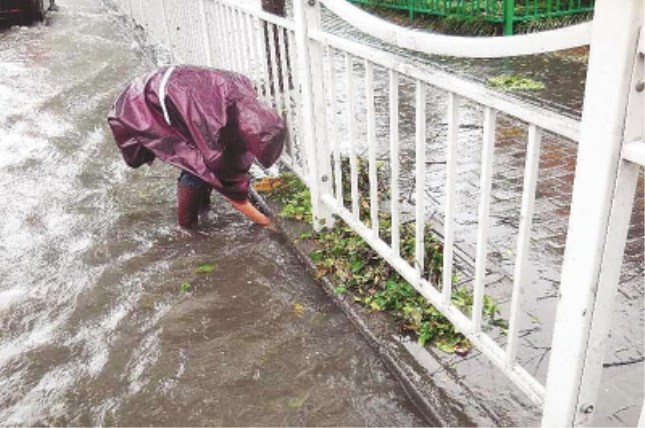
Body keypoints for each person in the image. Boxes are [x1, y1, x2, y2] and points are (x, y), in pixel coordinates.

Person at [107, 65, 286, 229]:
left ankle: (202, 206)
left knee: (207, 162)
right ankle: (186, 226)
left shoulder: (242, 88)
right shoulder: (213, 125)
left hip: (175, 90)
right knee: (197, 164)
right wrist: (266, 223)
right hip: (144, 103)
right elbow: (230, 189)